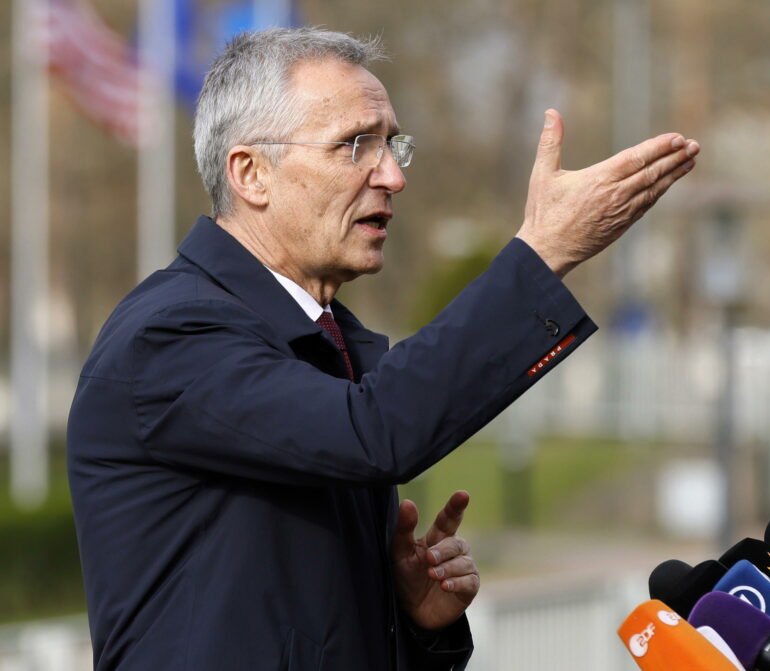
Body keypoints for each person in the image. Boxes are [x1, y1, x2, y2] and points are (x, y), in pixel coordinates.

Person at [67, 27, 700, 671]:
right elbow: (376, 428)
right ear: (251, 173)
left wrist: (416, 624)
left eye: (393, 144)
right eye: (354, 145)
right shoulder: (171, 336)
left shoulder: (322, 340)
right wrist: (542, 258)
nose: (393, 176)